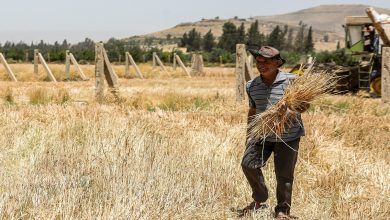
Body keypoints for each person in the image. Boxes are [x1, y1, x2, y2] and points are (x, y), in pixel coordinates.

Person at [238, 46, 309, 219]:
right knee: (248, 164)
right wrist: (249, 133)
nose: (261, 64)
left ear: (277, 63)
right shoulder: (252, 85)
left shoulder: (293, 81)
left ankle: (282, 211)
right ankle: (260, 198)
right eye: (259, 61)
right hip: (262, 134)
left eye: (267, 61)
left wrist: (289, 109)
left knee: (284, 175)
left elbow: (305, 106)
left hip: (288, 136)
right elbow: (253, 110)